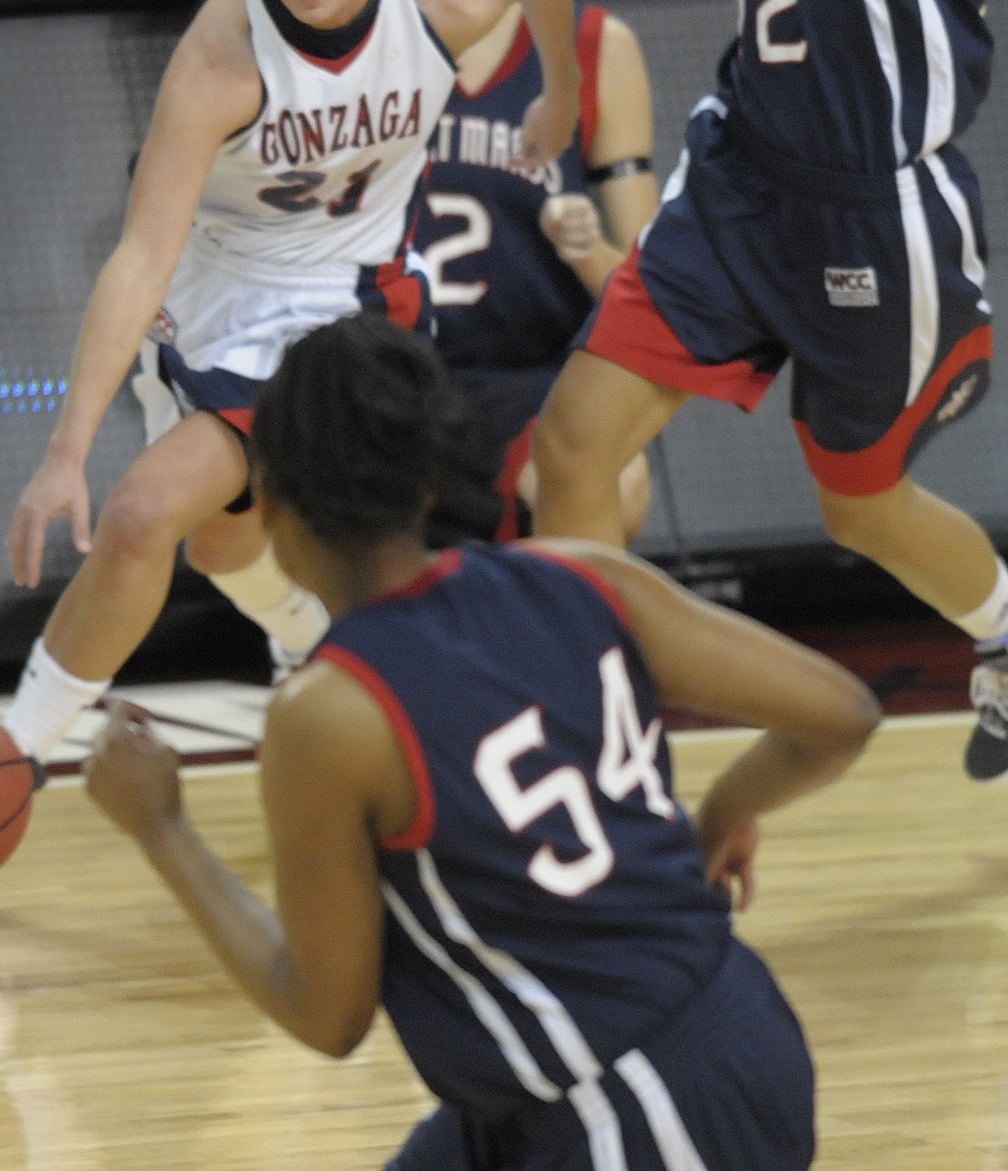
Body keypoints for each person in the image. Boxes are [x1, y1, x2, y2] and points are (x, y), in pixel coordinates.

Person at [83, 311, 881, 1171]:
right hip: (676, 1041)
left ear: (267, 500)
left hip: (632, 1103)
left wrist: (160, 827)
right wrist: (724, 810)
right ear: (426, 480)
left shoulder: (329, 713)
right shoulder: (579, 572)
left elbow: (326, 1014)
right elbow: (841, 714)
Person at [532, 0, 1008, 782]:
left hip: (870, 211)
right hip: (744, 178)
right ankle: (601, 750)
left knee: (858, 507)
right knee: (574, 445)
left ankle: (1007, 630)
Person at [1, 0, 580, 763]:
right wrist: (66, 450)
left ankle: (9, 761)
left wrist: (560, 90)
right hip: (221, 290)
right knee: (222, 544)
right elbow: (141, 252)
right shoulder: (223, 56)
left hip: (358, 298)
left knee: (145, 513)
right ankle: (324, 649)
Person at [406, 0, 658, 540]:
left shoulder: (595, 47)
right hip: (392, 376)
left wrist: (585, 251)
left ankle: (569, 650)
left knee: (617, 476)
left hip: (538, 378)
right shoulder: (368, 44)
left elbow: (646, 295)